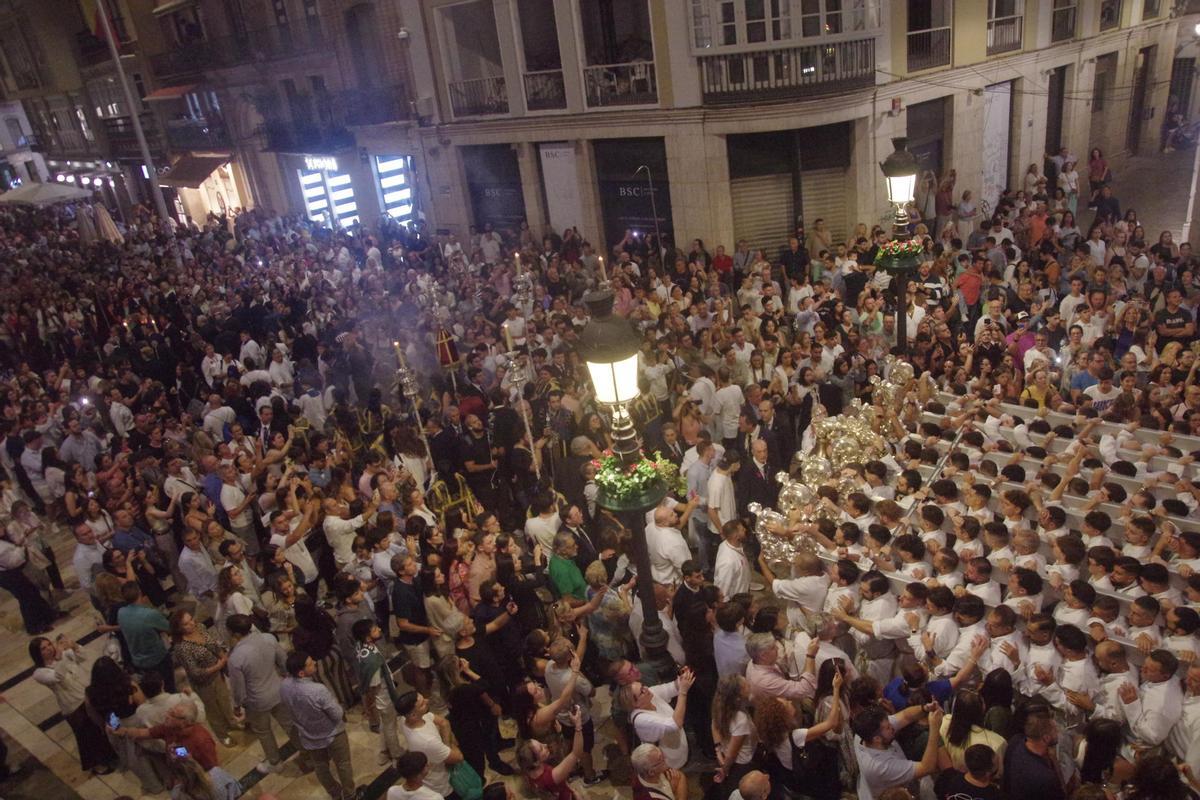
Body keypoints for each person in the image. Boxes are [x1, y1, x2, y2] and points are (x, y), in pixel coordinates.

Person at [29, 635, 116, 775]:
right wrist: (60, 658)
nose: (48, 649)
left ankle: (112, 752)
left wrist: (74, 646)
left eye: (49, 645)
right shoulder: (39, 673)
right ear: (38, 654)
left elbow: (83, 656)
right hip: (73, 705)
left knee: (105, 723)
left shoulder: (63, 654)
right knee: (88, 735)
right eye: (43, 649)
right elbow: (58, 676)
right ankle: (97, 764)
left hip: (86, 694)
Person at [225, 613, 300, 776]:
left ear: (235, 633)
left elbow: (237, 687)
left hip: (256, 700)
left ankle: (275, 762)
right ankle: (307, 752)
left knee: (264, 732)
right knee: (289, 723)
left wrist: (237, 705)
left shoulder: (236, 657)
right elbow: (284, 661)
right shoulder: (268, 638)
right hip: (278, 688)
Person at [279, 651, 360, 800]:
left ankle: (335, 793)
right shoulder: (317, 690)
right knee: (343, 764)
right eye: (310, 663)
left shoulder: (284, 686)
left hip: (308, 734)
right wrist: (340, 707)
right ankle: (350, 795)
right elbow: (336, 714)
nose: (315, 662)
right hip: (332, 733)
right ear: (302, 673)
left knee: (320, 766)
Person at [851, 702, 944, 800]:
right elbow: (926, 767)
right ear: (877, 739)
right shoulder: (879, 766)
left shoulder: (865, 734)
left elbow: (905, 716)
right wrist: (934, 728)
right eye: (887, 727)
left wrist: (925, 708)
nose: (892, 727)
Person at [396, 691, 463, 800]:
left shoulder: (404, 719)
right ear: (413, 715)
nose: (427, 701)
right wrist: (450, 744)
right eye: (422, 704)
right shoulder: (427, 741)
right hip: (441, 784)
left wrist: (445, 745)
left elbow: (443, 722)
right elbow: (458, 757)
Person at [516, 704, 588, 800]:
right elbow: (576, 753)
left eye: (540, 743)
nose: (545, 745)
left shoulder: (529, 770)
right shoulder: (551, 776)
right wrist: (578, 725)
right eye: (541, 748)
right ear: (536, 762)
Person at [117, 580, 176, 691]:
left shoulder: (121, 612)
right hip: (157, 659)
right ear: (140, 592)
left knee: (155, 689)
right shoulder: (149, 614)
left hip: (138, 661)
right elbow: (169, 628)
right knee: (169, 687)